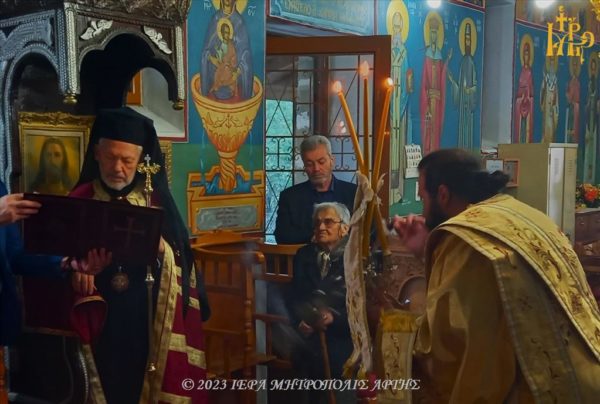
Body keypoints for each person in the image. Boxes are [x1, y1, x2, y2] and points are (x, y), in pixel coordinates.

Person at [392, 149, 600, 402]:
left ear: (443, 194)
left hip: (538, 392)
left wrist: (390, 329)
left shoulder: (464, 240)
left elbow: (447, 349)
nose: (422, 209)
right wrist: (428, 251)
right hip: (587, 373)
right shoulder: (525, 214)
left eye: (423, 197)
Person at [69, 108, 210, 404]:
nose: (117, 168)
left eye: (127, 160)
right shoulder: (80, 198)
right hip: (100, 313)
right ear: (97, 153)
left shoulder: (155, 201)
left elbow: (181, 260)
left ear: (142, 160)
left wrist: (162, 250)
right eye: (111, 157)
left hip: (146, 312)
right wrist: (76, 268)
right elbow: (60, 254)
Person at [290, 202, 355, 404]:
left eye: (328, 222)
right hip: (308, 334)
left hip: (343, 335)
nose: (321, 227)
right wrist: (301, 321)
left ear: (344, 228)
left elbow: (360, 306)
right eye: (317, 222)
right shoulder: (304, 256)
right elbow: (295, 296)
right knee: (304, 353)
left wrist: (333, 318)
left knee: (338, 361)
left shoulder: (355, 258)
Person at [274, 135, 357, 245]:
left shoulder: (353, 193)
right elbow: (282, 236)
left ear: (332, 161)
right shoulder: (290, 197)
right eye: (309, 164)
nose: (316, 169)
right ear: (304, 166)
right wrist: (317, 235)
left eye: (321, 162)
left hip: (345, 255)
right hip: (304, 255)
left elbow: (364, 233)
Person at [389, 8, 412, 204]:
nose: (396, 31)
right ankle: (389, 192)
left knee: (399, 143)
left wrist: (405, 93)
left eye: (399, 27)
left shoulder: (404, 53)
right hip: (390, 105)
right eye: (394, 27)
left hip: (400, 103)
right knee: (390, 147)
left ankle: (399, 191)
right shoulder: (387, 51)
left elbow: (407, 80)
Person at [420, 12, 449, 155]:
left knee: (436, 131)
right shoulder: (426, 57)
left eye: (435, 33)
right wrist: (426, 101)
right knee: (428, 131)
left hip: (437, 102)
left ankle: (435, 156)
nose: (433, 36)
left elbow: (442, 77)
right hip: (428, 100)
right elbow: (424, 81)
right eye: (431, 32)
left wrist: (447, 62)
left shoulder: (439, 56)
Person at [447, 21, 477, 150]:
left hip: (468, 106)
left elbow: (475, 85)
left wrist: (469, 90)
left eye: (469, 40)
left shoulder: (472, 62)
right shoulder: (463, 61)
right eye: (466, 40)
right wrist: (453, 82)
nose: (467, 43)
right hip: (462, 106)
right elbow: (459, 88)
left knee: (467, 133)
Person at [514, 37, 534, 144]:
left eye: (528, 54)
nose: (526, 56)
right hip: (520, 104)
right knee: (521, 129)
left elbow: (531, 91)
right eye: (525, 54)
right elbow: (519, 89)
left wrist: (528, 97)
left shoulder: (530, 72)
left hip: (528, 105)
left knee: (526, 130)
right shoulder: (521, 71)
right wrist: (520, 97)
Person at [540, 54, 559, 143]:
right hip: (546, 108)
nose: (552, 64)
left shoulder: (555, 80)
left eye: (553, 62)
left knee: (551, 126)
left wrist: (554, 101)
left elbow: (556, 95)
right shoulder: (546, 78)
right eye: (550, 61)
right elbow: (542, 91)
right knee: (546, 126)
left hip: (552, 109)